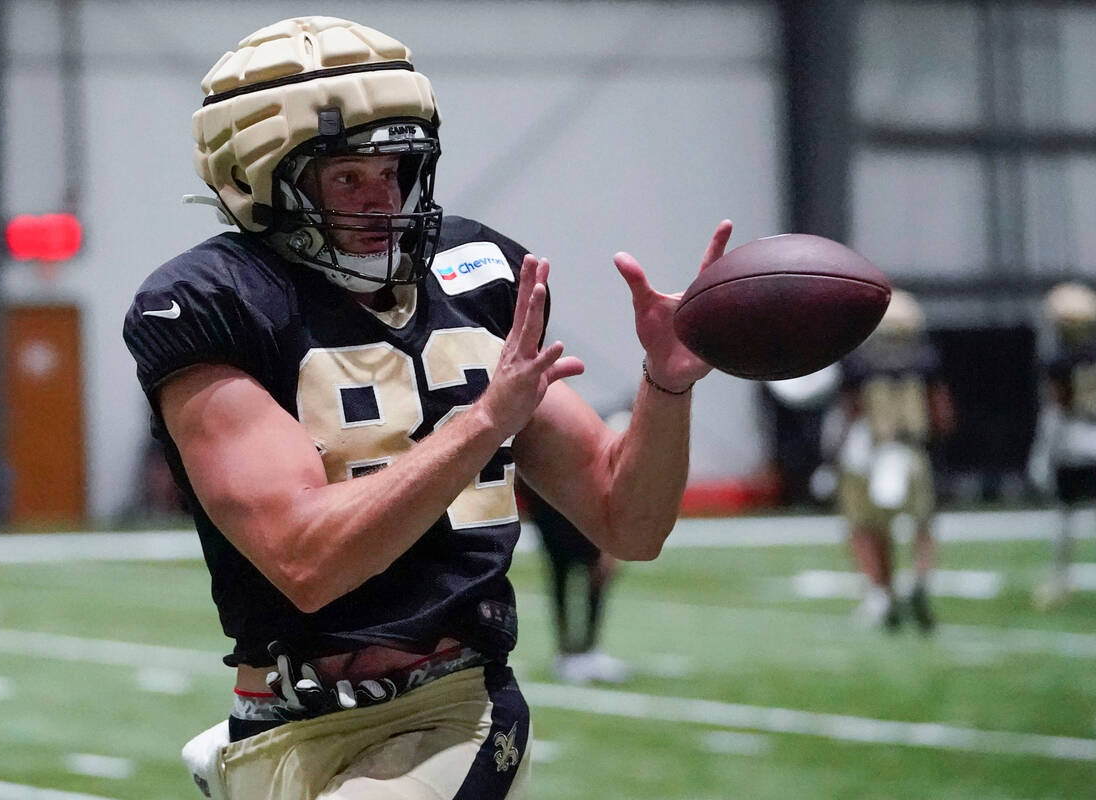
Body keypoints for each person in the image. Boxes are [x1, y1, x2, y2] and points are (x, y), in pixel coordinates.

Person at [123, 17, 731, 800]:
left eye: (398, 169)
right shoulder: (212, 304)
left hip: (447, 710)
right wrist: (482, 424)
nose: (384, 201)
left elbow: (628, 520)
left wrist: (667, 385)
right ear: (260, 179)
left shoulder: (479, 276)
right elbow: (305, 560)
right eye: (347, 178)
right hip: (273, 721)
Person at [832, 291, 954, 632]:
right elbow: (942, 415)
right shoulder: (926, 360)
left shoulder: (859, 363)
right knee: (922, 524)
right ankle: (920, 577)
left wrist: (833, 457)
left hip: (872, 454)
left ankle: (881, 595)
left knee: (867, 527)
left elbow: (851, 412)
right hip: (913, 451)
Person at [516, 402, 633, 686]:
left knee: (594, 577)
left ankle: (588, 649)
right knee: (563, 575)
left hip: (577, 508)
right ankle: (568, 652)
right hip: (560, 511)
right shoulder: (604, 429)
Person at [1028, 283, 1096, 609]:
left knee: (1067, 513)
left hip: (1073, 442)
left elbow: (1056, 411)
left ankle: (1062, 578)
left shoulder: (1060, 362)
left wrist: (1041, 454)